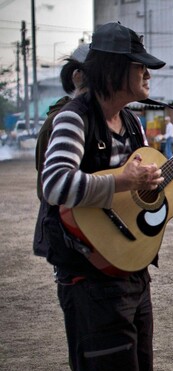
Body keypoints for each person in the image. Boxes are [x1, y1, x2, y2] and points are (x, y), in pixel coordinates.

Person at [39, 22, 173, 371]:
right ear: (113, 69)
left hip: (131, 269)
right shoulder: (75, 118)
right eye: (139, 65)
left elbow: (146, 188)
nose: (147, 73)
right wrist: (122, 181)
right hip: (89, 278)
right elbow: (54, 185)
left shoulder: (133, 124)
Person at [33, 43, 88, 257]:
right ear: (78, 76)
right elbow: (46, 187)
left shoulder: (114, 118)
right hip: (69, 231)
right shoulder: (58, 122)